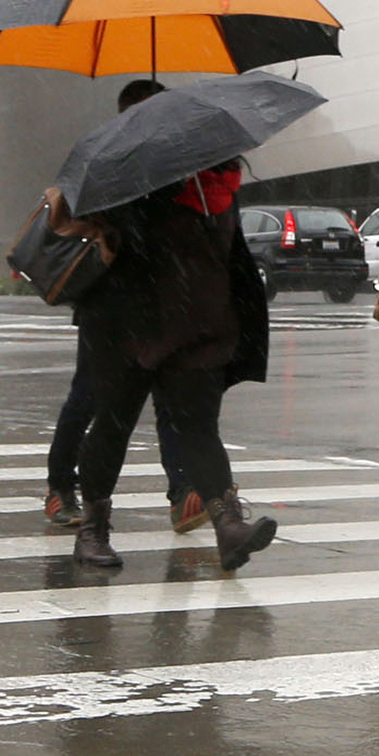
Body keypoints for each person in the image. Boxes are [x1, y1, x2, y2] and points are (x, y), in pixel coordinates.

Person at [66, 155, 276, 574]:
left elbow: (229, 259)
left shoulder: (217, 187)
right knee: (112, 424)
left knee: (198, 428)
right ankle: (92, 529)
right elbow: (108, 242)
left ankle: (228, 526)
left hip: (195, 326)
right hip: (128, 329)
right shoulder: (129, 182)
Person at [41, 78, 200, 533]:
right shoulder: (101, 159)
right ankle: (60, 487)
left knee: (171, 399)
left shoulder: (174, 163)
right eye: (149, 111)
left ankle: (182, 492)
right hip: (107, 306)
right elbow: (89, 220)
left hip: (161, 302)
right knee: (89, 400)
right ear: (128, 113)